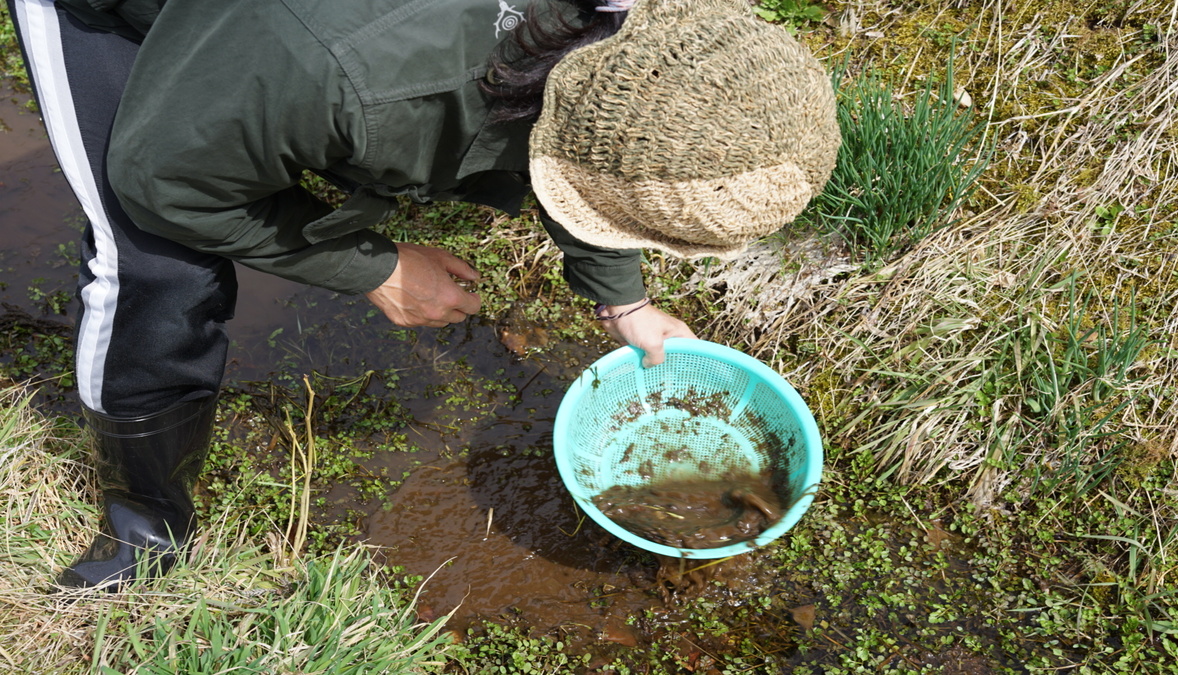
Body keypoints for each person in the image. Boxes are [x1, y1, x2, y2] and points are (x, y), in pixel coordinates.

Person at [6, 0, 840, 590]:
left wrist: (622, 300)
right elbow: (167, 178)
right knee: (160, 263)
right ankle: (145, 528)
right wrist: (374, 267)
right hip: (125, 14)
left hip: (288, 48)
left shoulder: (646, 36)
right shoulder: (349, 72)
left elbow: (604, 135)